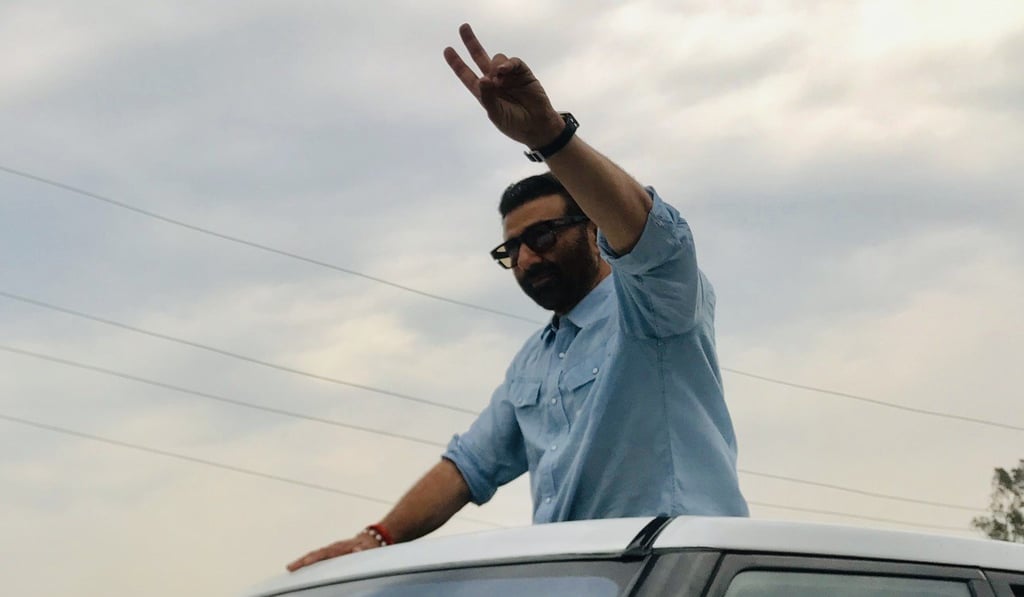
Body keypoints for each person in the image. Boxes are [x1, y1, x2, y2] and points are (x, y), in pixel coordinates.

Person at [287, 23, 747, 573]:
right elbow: (468, 466)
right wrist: (377, 539)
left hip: (681, 573)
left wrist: (550, 137)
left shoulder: (653, 308)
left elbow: (653, 237)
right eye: (512, 250)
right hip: (578, 582)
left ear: (591, 230)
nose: (526, 259)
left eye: (542, 237)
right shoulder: (534, 361)